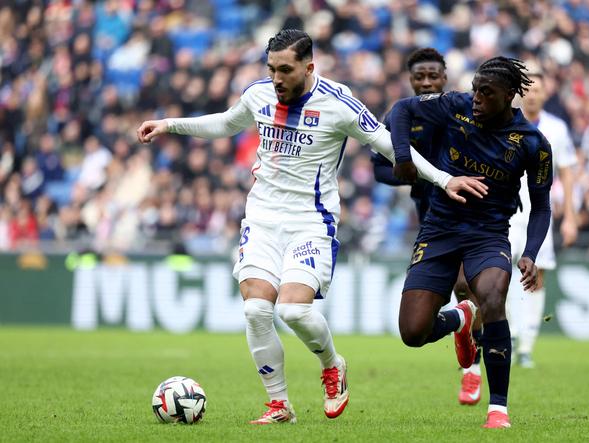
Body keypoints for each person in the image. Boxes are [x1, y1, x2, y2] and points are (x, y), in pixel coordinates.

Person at [137, 29, 488, 425]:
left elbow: (391, 146)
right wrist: (169, 124)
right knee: (255, 310)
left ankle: (332, 365)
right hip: (262, 218)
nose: (276, 78)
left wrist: (444, 179)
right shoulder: (259, 94)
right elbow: (225, 123)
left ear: (308, 67)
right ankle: (279, 405)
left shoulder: (339, 104)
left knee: (292, 310)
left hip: (311, 222)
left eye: (285, 70)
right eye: (271, 69)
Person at [389, 56, 553, 428]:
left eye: (486, 93)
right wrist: (402, 158)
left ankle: (498, 410)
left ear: (510, 95)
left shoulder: (533, 143)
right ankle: (460, 319)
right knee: (413, 333)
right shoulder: (456, 105)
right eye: (476, 89)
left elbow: (542, 206)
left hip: (488, 236)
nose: (476, 98)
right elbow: (400, 110)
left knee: (493, 299)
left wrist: (529, 253)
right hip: (439, 230)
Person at [371, 47, 485, 406]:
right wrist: (412, 177)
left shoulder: (460, 110)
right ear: (409, 79)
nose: (425, 82)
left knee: (467, 285)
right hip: (431, 218)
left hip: (472, 213)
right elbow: (378, 167)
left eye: (432, 75)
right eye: (419, 76)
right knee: (442, 304)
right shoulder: (401, 116)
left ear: (444, 76)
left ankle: (473, 369)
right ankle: (462, 325)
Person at [507, 66, 578, 368]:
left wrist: (571, 216)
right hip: (507, 211)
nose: (532, 95)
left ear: (545, 93)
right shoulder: (505, 124)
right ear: (519, 94)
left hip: (540, 213)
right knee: (500, 271)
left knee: (537, 275)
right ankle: (508, 333)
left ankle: (526, 345)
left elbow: (568, 173)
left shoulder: (557, 129)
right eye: (528, 90)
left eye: (537, 90)